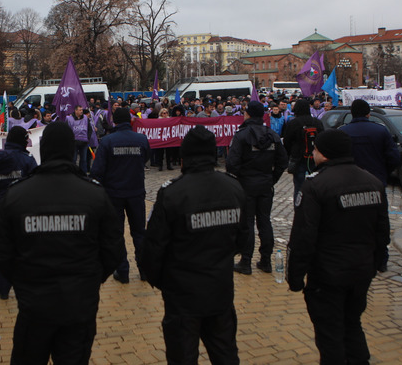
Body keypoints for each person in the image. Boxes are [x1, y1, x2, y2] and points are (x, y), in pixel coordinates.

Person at [0, 122, 125, 364]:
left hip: (35, 306)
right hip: (78, 306)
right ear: (72, 151)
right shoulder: (94, 194)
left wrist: (24, 284)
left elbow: (1, 254)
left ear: (44, 150)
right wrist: (89, 281)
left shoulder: (15, 195)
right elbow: (113, 251)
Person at [143, 126, 249, 364]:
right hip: (219, 288)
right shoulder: (233, 187)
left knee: (183, 357)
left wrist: (163, 282)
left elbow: (154, 247)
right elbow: (244, 239)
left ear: (184, 156)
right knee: (225, 354)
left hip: (183, 294)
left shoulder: (172, 193)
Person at [287, 129, 390, 365]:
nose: (312, 153)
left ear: (324, 153)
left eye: (315, 149)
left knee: (330, 333)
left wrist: (295, 277)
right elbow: (382, 234)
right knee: (352, 323)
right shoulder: (373, 181)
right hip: (361, 270)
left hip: (327, 275)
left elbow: (303, 236)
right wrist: (373, 264)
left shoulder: (315, 186)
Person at [90, 106, 151, 283]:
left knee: (116, 234)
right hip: (136, 192)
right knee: (139, 232)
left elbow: (97, 170)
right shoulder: (141, 139)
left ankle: (122, 271)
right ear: (130, 121)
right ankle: (144, 270)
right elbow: (147, 157)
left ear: (114, 122)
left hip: (114, 194)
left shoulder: (108, 141)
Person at [226, 100, 288, 275]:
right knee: (264, 221)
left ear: (248, 114)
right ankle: (266, 260)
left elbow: (231, 163)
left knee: (247, 223)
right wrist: (271, 178)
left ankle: (246, 261)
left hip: (247, 184)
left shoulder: (242, 135)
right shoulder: (272, 135)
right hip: (265, 184)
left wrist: (240, 179)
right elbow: (283, 161)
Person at [0, 126, 39, 300]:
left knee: (5, 249)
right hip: (25, 211)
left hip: (3, 210)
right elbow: (36, 185)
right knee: (28, 249)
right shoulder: (27, 160)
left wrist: (2, 199)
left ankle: (3, 289)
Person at [339, 99, 399, 187]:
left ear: (352, 113)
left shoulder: (342, 132)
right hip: (376, 179)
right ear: (368, 114)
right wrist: (383, 171)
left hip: (350, 181)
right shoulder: (381, 130)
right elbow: (394, 157)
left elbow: (336, 158)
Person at [282, 98, 325, 202]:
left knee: (299, 187)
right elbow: (323, 139)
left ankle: (299, 208)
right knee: (316, 185)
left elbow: (287, 141)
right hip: (315, 159)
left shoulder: (293, 123)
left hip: (299, 158)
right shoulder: (317, 122)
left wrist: (289, 155)